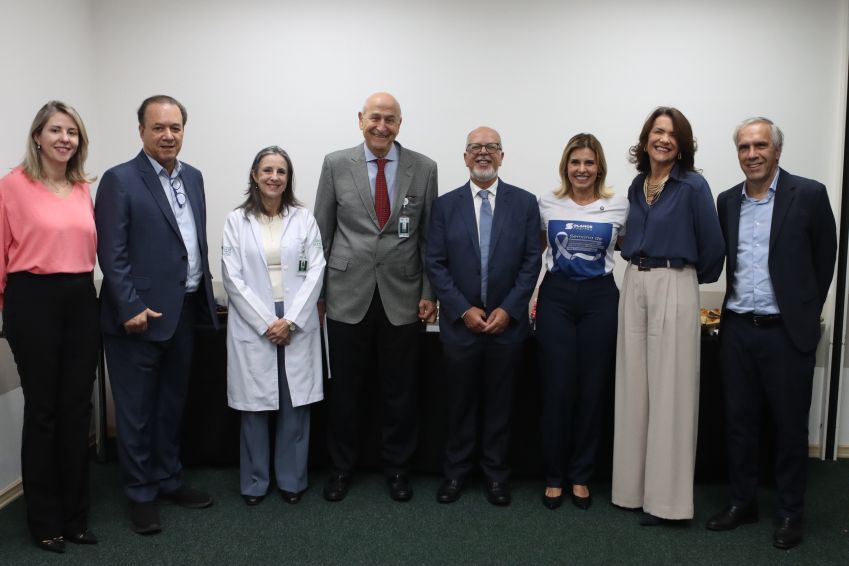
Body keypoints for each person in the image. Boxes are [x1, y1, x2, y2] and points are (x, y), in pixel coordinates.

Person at [705, 118, 837, 549]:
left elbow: (825, 258)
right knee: (739, 424)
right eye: (744, 147)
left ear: (777, 151)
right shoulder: (727, 201)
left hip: (786, 334)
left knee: (790, 428)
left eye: (760, 145)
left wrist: (804, 314)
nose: (752, 154)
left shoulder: (809, 195)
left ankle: (790, 512)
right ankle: (742, 502)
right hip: (738, 330)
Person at [95, 95, 218, 534]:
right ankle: (141, 493)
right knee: (136, 412)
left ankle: (168, 479)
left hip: (183, 312)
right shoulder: (120, 180)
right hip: (138, 318)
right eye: (159, 127)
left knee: (170, 406)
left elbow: (191, 243)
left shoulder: (194, 177)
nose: (168, 135)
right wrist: (129, 306)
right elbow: (111, 252)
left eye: (175, 127)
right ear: (142, 131)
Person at [314, 92, 438, 503]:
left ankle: (398, 469)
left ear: (400, 124)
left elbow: (429, 238)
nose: (381, 126)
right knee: (345, 390)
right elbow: (321, 234)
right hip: (346, 294)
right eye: (375, 118)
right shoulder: (336, 164)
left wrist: (429, 292)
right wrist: (317, 296)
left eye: (390, 119)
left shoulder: (424, 168)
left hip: (403, 296)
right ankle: (340, 469)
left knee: (400, 391)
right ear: (360, 119)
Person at [612, 107, 725, 525]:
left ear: (682, 144)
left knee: (672, 393)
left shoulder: (693, 186)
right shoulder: (637, 185)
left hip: (674, 281)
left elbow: (713, 249)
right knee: (633, 388)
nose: (663, 139)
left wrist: (683, 278)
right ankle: (630, 491)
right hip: (634, 282)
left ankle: (668, 504)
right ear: (645, 140)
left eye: (672, 134)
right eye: (657, 132)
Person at [0, 101, 99, 553]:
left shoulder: (81, 188)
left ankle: (76, 516)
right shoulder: (11, 186)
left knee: (77, 409)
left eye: (72, 132)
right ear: (37, 136)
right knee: (44, 412)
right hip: (31, 299)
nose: (65, 139)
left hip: (80, 297)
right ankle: (44, 521)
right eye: (56, 130)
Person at [426, 126, 540, 506]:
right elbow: (435, 263)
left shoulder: (525, 203)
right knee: (459, 404)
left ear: (502, 156)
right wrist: (463, 309)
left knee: (501, 405)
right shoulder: (445, 206)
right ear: (465, 157)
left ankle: (496, 476)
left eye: (491, 146)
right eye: (475, 147)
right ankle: (455, 473)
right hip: (461, 327)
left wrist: (509, 309)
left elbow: (531, 262)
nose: (483, 152)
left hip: (507, 327)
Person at [221, 146, 325, 506]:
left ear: (288, 178)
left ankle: (292, 479)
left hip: (296, 317)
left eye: (281, 171)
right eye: (267, 170)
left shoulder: (304, 219)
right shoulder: (236, 221)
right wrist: (268, 323)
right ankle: (254, 481)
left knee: (295, 405)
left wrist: (291, 321)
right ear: (254, 175)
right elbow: (232, 277)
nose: (274, 177)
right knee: (254, 407)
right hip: (255, 321)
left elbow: (316, 269)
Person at [536, 133, 628, 511]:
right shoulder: (547, 203)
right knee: (557, 388)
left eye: (589, 162)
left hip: (600, 300)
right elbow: (536, 250)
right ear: (566, 166)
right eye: (575, 162)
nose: (582, 169)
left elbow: (629, 246)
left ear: (599, 167)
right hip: (556, 298)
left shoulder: (618, 205)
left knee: (592, 389)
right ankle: (554, 476)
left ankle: (581, 475)